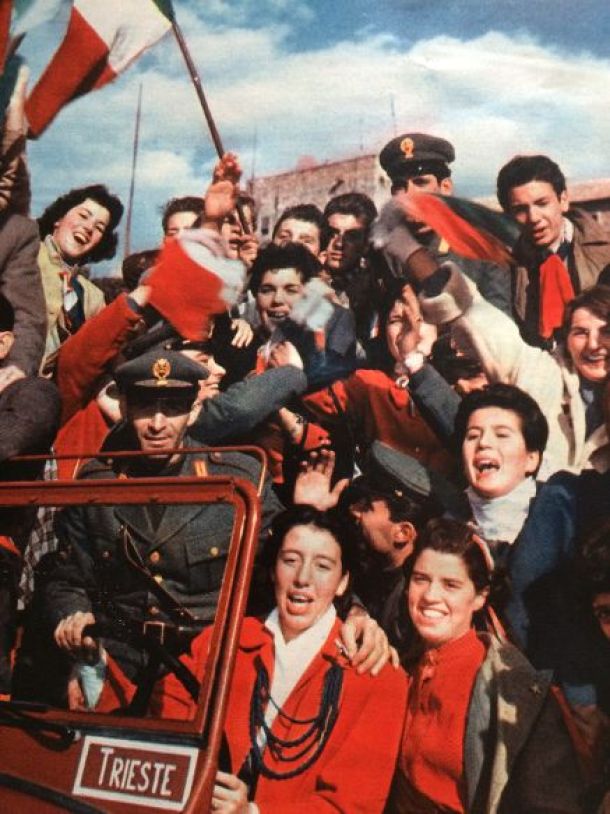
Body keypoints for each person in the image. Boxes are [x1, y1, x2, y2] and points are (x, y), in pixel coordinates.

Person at [28, 349, 282, 707]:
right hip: (117, 661)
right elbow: (66, 575)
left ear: (194, 411)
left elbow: (287, 566)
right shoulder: (97, 482)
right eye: (145, 408)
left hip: (204, 663)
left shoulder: (239, 481)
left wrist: (354, 609)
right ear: (126, 408)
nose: (158, 424)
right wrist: (73, 613)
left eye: (173, 408)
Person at [156, 505, 407, 813]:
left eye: (323, 566)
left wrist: (252, 812)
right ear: (274, 570)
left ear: (343, 582)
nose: (303, 578)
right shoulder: (222, 642)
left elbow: (351, 806)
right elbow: (160, 732)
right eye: (290, 560)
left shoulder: (377, 677)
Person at [373, 197, 610, 477]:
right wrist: (406, 247)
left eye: (606, 332)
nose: (593, 345)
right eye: (580, 332)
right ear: (567, 339)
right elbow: (469, 308)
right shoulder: (542, 374)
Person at [386, 517, 583, 814]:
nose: (430, 596)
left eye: (451, 585)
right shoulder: (403, 663)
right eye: (420, 579)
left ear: (480, 597)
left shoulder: (511, 689)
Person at [379, 132, 512, 315]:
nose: (409, 194)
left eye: (420, 182)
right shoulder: (388, 253)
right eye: (400, 187)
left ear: (445, 188)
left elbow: (500, 321)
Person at [497, 154, 610, 348]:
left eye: (542, 203)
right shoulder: (505, 268)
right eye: (520, 210)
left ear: (563, 200)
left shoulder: (605, 253)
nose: (534, 217)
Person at [37, 183, 124, 362]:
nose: (89, 228)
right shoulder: (20, 254)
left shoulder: (94, 298)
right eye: (83, 216)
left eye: (99, 228)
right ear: (58, 219)